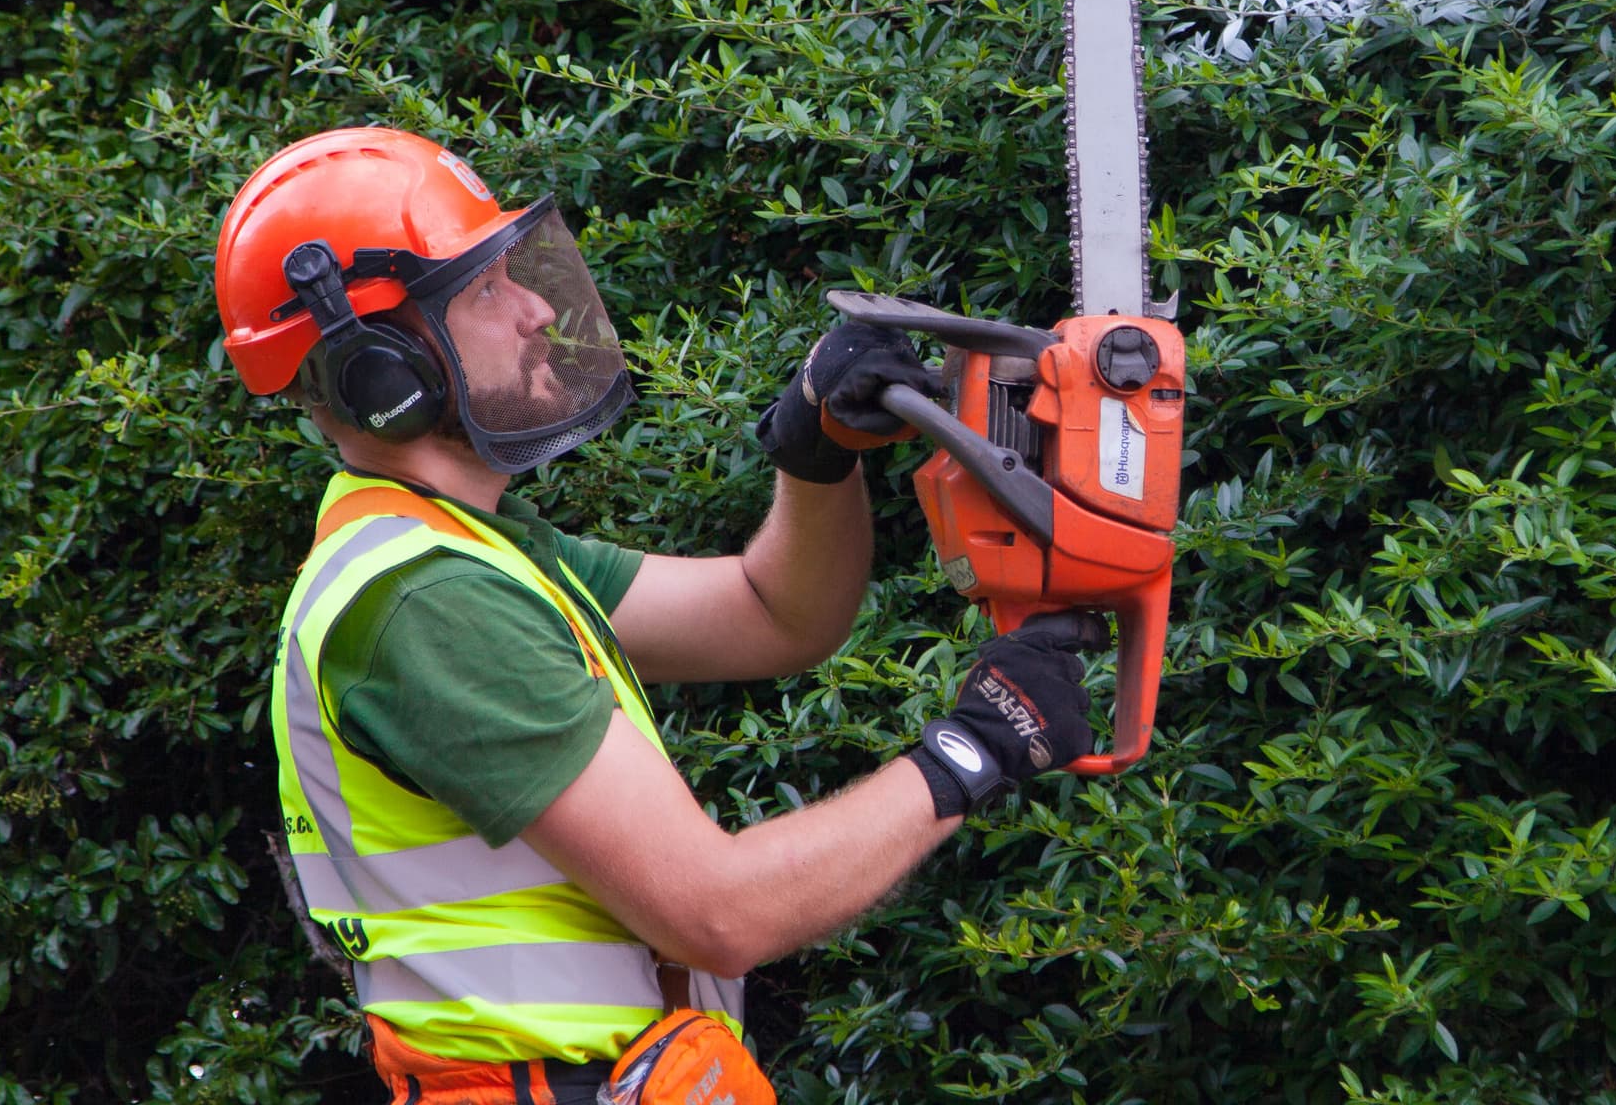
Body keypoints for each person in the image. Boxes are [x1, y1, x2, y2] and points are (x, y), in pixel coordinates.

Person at [213, 126, 1102, 1105]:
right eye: (484, 291)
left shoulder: (473, 551)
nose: (538, 307)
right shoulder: (426, 600)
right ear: (379, 373)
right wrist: (973, 750)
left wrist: (815, 451)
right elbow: (717, 911)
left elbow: (776, 614)